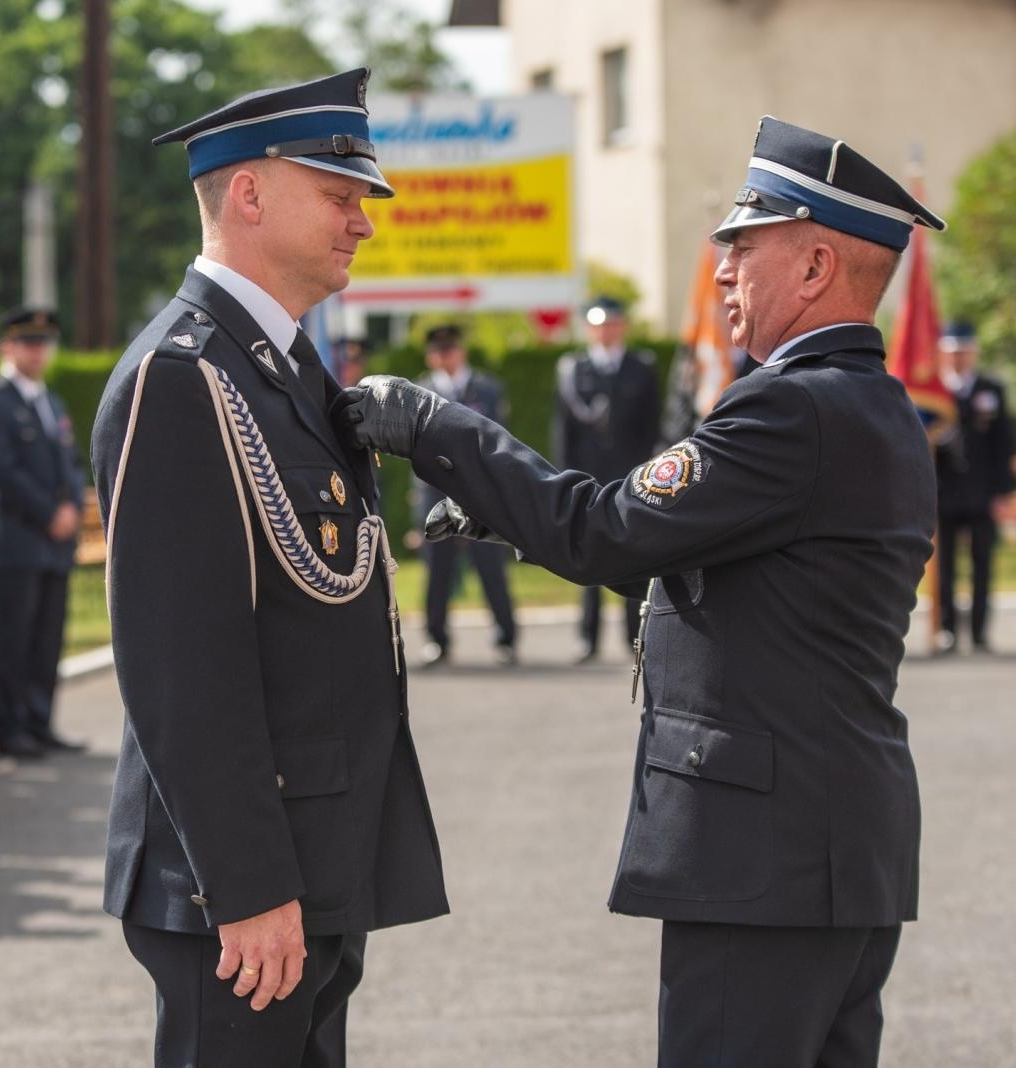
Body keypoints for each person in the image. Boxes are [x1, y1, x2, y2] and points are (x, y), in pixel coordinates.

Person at [340, 116, 940, 1067]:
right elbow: (729, 574)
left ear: (818, 265)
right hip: (831, 847)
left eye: (743, 248)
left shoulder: (790, 406)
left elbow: (608, 533)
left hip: (764, 858)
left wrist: (435, 428)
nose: (724, 274)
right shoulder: (872, 406)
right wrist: (506, 514)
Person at [91, 68, 448, 1066]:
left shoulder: (277, 369)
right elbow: (178, 668)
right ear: (248, 195)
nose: (361, 224)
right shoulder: (182, 375)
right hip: (240, 886)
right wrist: (243, 887)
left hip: (313, 853)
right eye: (340, 197)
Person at [0, 307, 84, 759]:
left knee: (47, 637)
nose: (37, 352)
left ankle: (40, 721)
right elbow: (1, 469)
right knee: (13, 636)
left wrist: (73, 509)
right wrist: (48, 514)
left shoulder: (50, 401)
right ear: (7, 346)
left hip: (54, 543)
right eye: (27, 343)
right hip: (19, 538)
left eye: (43, 344)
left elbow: (71, 466)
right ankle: (10, 725)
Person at [553, 295, 661, 663]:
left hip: (632, 477)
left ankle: (636, 636)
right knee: (588, 556)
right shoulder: (572, 369)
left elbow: (653, 427)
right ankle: (589, 638)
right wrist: (564, 480)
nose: (606, 331)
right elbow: (564, 431)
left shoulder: (641, 368)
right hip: (588, 478)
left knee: (633, 557)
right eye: (599, 324)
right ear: (588, 328)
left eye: (612, 323)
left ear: (622, 326)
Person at [415, 324, 517, 666]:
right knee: (438, 573)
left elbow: (499, 441)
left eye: (451, 349)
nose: (445, 356)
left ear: (461, 351)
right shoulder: (419, 391)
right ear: (431, 355)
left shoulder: (486, 389)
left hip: (480, 495)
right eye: (439, 350)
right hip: (436, 493)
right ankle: (437, 639)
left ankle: (506, 637)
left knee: (491, 568)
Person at [934, 321, 1014, 652]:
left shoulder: (991, 389)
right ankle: (948, 629)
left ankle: (980, 631)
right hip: (942, 493)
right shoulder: (932, 392)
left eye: (964, 351)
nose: (958, 358)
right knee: (945, 567)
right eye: (952, 351)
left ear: (974, 352)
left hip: (981, 493)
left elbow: (1003, 444)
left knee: (982, 565)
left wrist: (1002, 492)